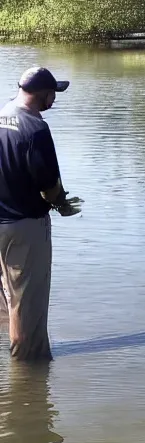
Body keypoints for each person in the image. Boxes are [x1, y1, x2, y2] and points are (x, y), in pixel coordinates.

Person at [0, 66, 81, 362]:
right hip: (25, 225)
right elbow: (48, 184)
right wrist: (63, 205)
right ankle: (28, 371)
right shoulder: (35, 128)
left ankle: (13, 344)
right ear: (42, 94)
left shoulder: (3, 114)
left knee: (8, 293)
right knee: (28, 299)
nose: (54, 100)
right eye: (53, 94)